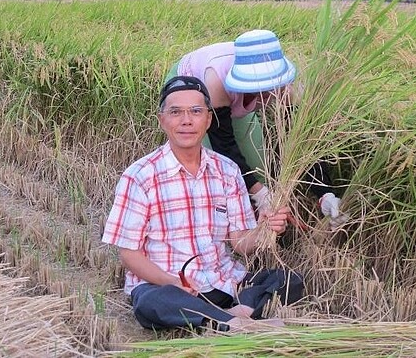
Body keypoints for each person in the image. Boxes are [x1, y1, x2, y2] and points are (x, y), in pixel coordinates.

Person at [102, 76, 304, 332]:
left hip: (224, 283)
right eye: (176, 112)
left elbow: (241, 243)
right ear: (161, 120)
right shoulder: (140, 175)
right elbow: (128, 253)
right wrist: (171, 281)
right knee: (152, 303)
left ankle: (228, 318)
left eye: (196, 112)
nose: (186, 120)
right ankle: (238, 321)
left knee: (288, 280)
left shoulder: (228, 170)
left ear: (208, 119)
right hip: (171, 287)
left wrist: (266, 229)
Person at [169, 29, 345, 226]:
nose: (264, 94)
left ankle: (258, 232)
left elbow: (302, 143)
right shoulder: (216, 81)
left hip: (232, 104)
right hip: (191, 90)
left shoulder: (287, 88)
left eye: (268, 88)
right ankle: (222, 232)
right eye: (255, 88)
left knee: (257, 168)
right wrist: (259, 194)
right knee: (214, 169)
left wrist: (325, 193)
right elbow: (224, 148)